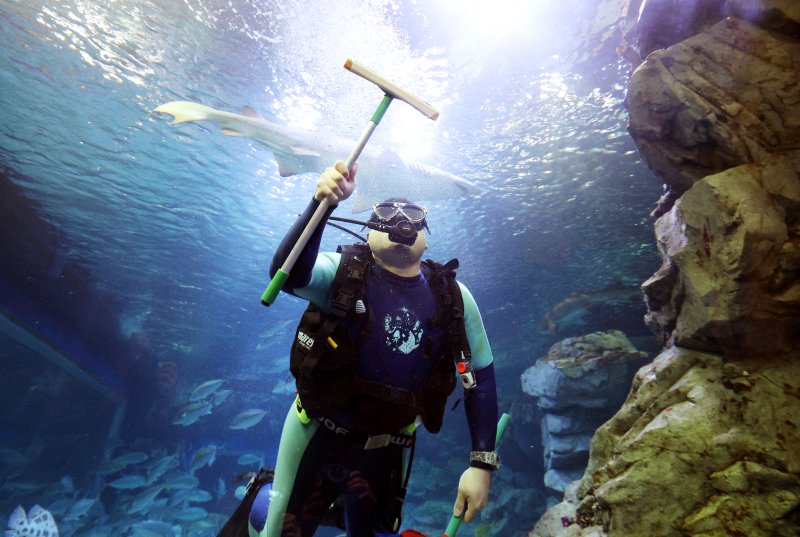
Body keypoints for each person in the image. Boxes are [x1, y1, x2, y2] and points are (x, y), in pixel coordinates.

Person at [254, 161, 499, 537]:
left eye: (414, 214)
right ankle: (261, 502)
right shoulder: (343, 272)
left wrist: (481, 464)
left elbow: (480, 376)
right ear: (369, 231)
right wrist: (322, 205)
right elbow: (287, 274)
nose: (401, 218)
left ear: (426, 235)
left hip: (390, 446)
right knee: (278, 531)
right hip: (317, 433)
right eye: (385, 212)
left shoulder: (454, 297)